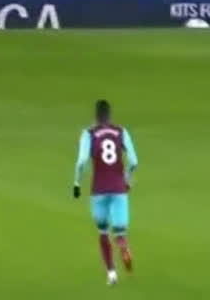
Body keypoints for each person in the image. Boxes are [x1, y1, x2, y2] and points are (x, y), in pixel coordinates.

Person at [73, 100, 139, 286]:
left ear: (96, 116)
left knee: (103, 231)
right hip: (119, 189)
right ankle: (122, 244)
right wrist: (127, 179)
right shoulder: (121, 131)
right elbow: (134, 161)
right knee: (119, 231)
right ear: (110, 116)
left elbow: (81, 161)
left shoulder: (89, 134)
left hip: (99, 191)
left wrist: (76, 183)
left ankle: (111, 274)